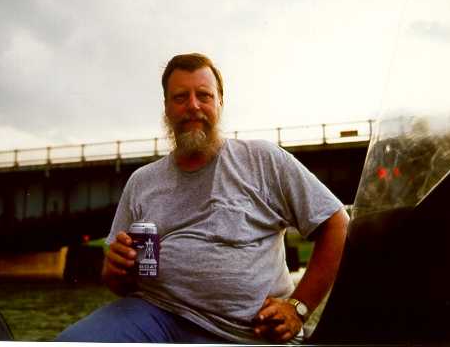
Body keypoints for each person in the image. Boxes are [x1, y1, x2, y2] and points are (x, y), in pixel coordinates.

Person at [55, 53, 349, 344]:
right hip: (154, 314)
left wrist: (298, 308)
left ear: (220, 102)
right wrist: (115, 268)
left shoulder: (263, 160)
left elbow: (337, 223)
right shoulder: (142, 181)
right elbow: (118, 283)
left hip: (243, 332)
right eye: (180, 97)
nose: (192, 106)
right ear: (167, 108)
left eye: (204, 96)